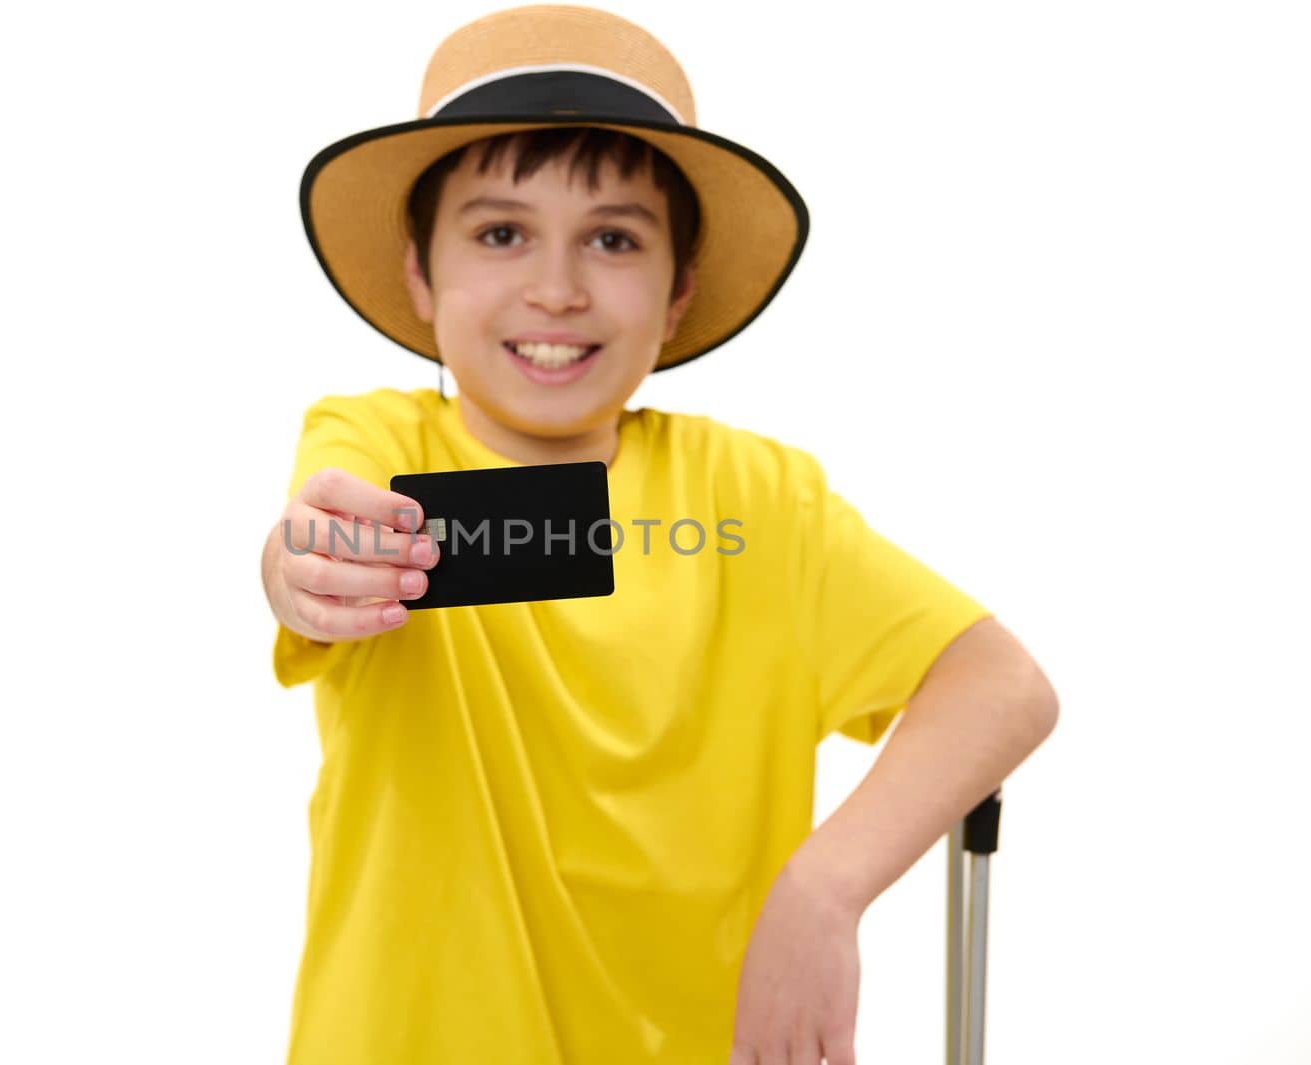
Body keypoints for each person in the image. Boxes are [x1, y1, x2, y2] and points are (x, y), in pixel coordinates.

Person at [258, 6, 1058, 1063]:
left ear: (678, 289)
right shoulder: (378, 441)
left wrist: (821, 893)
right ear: (419, 273)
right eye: (501, 233)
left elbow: (1000, 686)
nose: (555, 287)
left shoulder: (756, 499)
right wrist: (303, 564)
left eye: (613, 239)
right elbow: (325, 522)